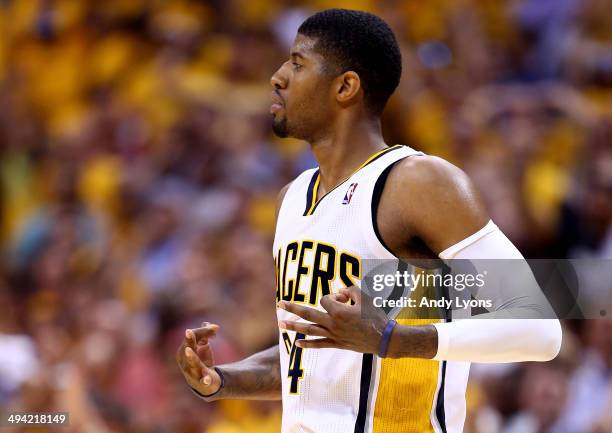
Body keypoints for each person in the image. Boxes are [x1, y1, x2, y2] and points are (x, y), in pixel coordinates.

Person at [176, 9, 562, 433]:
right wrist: (223, 380)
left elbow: (539, 329)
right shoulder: (292, 198)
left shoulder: (416, 183)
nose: (278, 76)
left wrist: (391, 339)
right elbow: (311, 360)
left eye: (298, 63)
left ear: (345, 87)